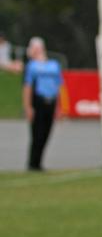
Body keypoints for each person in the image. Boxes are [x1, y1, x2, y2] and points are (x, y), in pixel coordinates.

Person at [22, 37, 63, 171]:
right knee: (37, 134)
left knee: (46, 133)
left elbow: (59, 86)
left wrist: (59, 106)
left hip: (51, 102)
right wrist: (28, 107)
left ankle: (38, 163)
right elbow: (27, 87)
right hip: (38, 102)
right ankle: (33, 164)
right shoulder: (31, 66)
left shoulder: (54, 65)